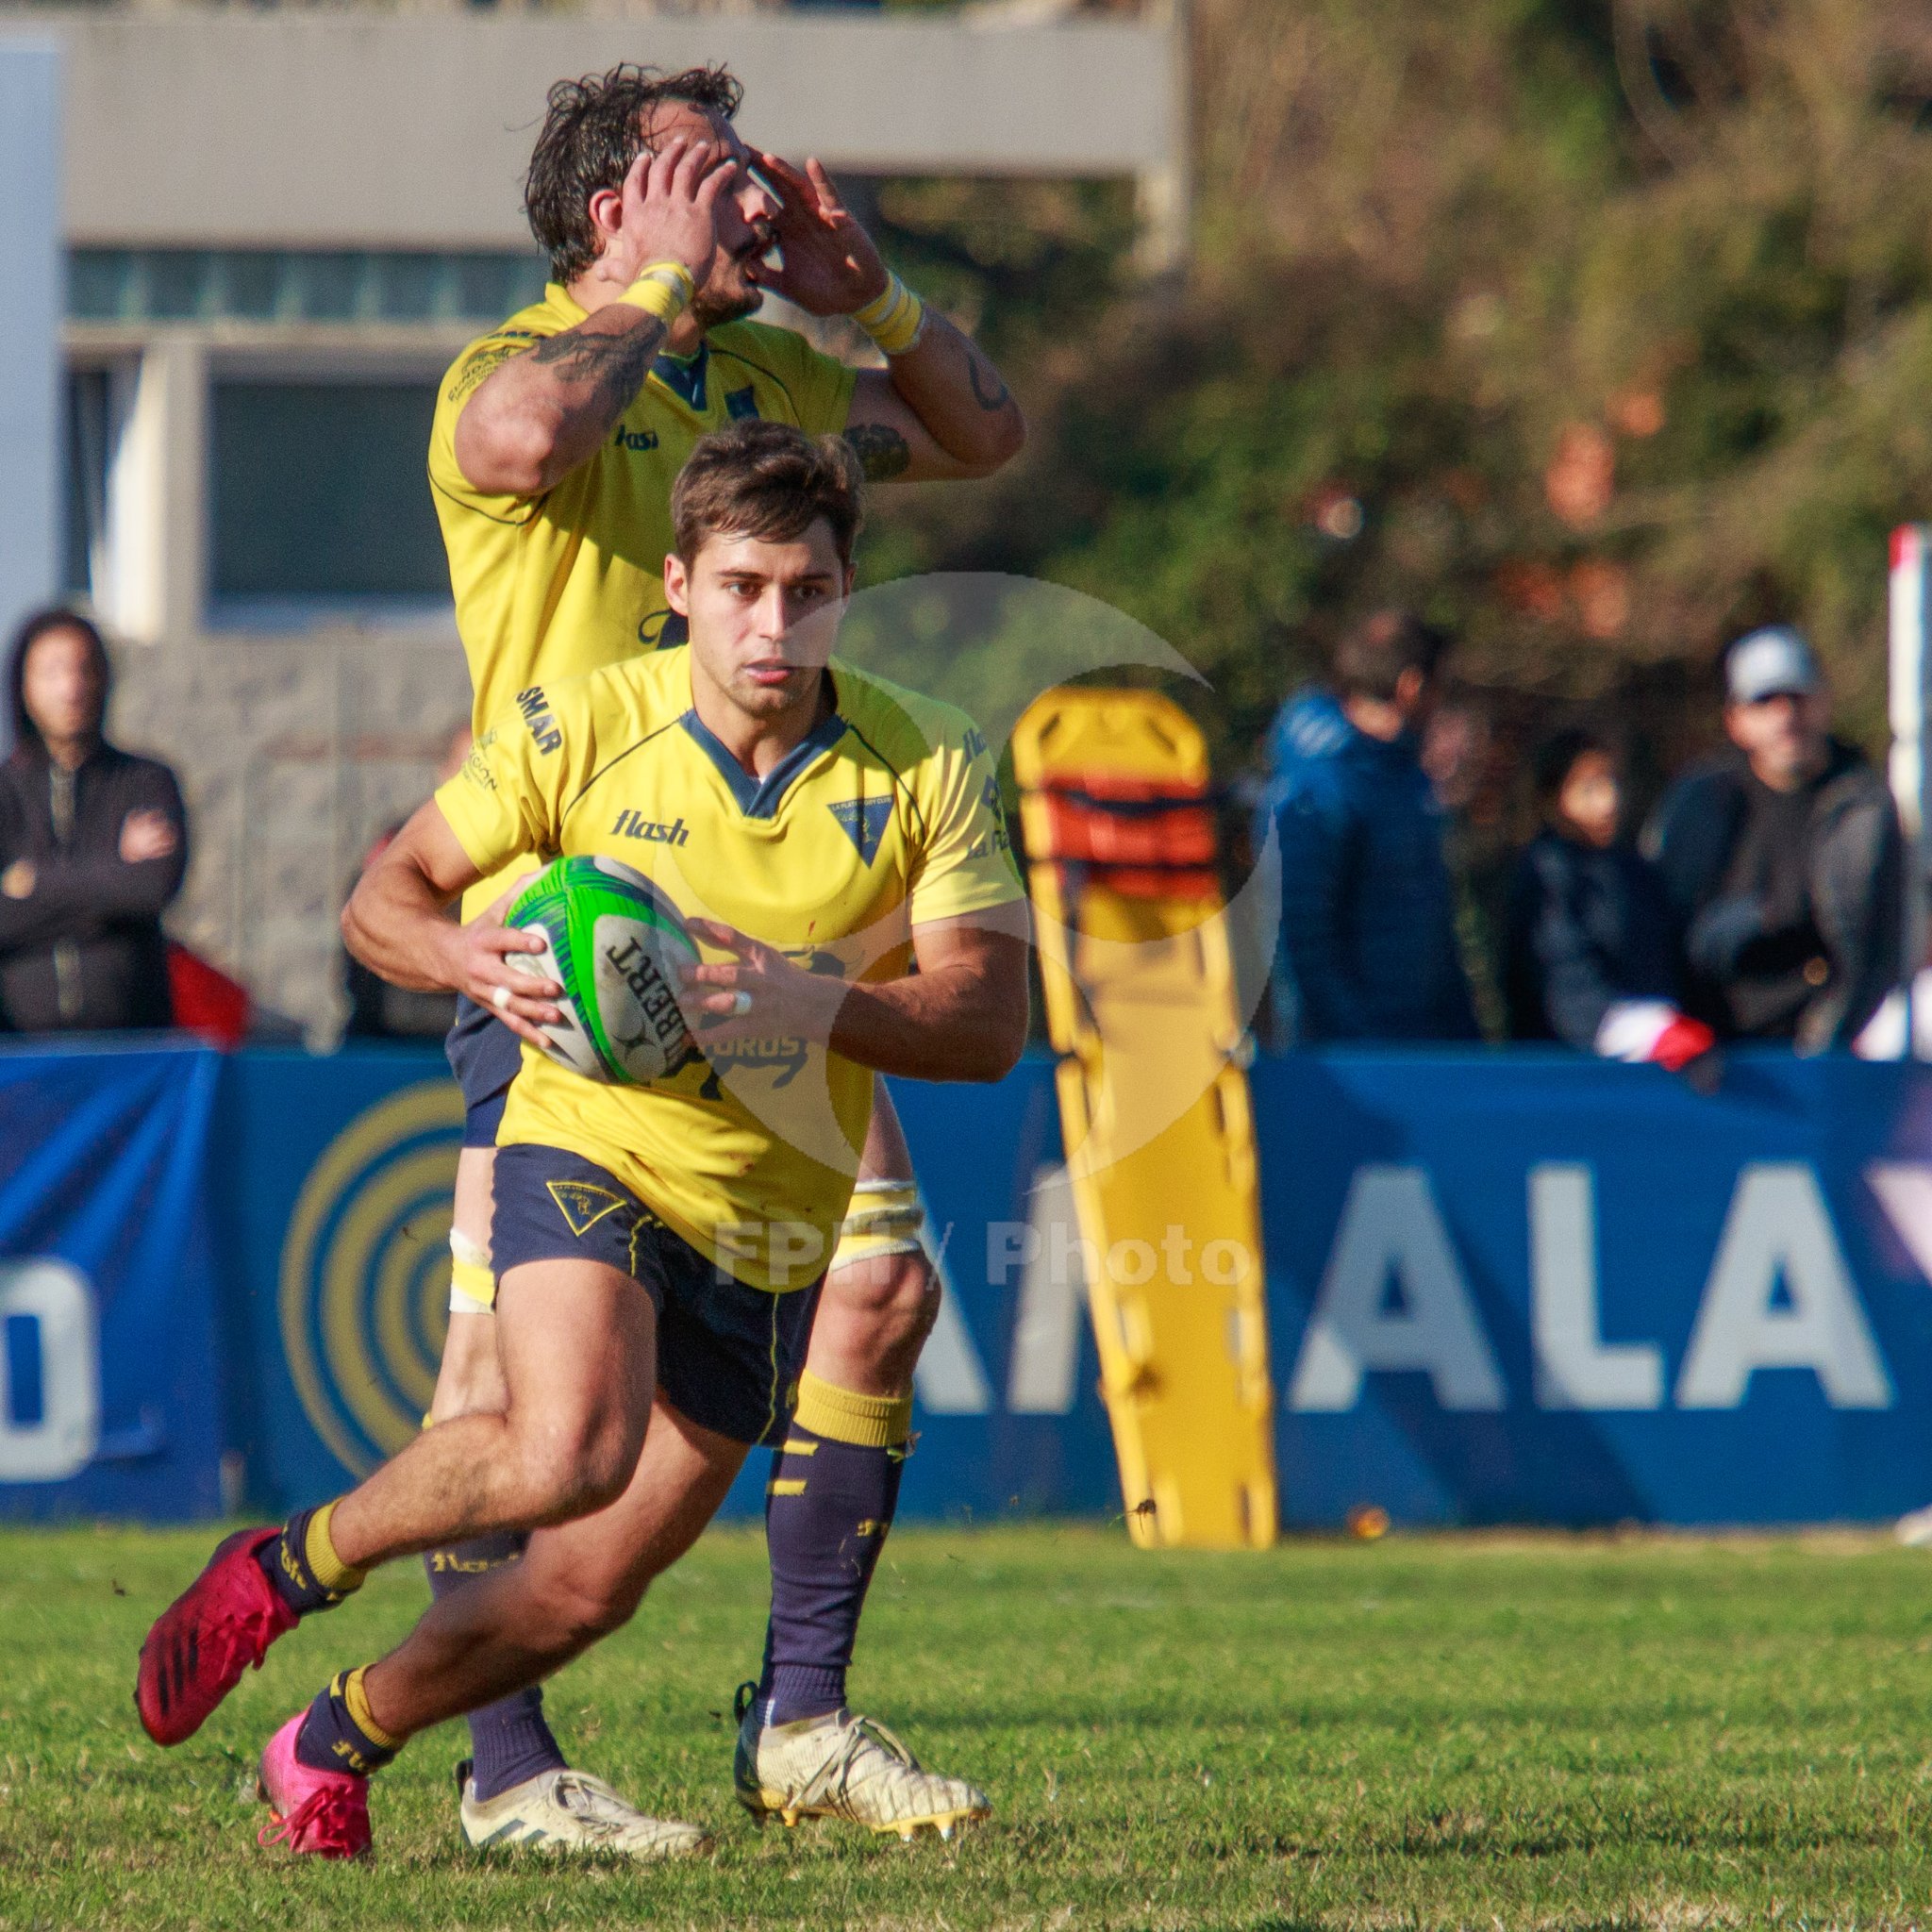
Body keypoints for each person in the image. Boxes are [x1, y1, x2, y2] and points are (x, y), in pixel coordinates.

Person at [136, 423, 1032, 1861]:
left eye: (806, 589)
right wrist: (471, 957)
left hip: (772, 1219)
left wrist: (803, 999)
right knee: (569, 1449)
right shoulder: (584, 726)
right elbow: (387, 898)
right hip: (593, 1147)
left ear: (846, 590)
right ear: (678, 582)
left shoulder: (924, 757)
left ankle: (330, 1741)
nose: (772, 623)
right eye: (742, 586)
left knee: (581, 1594)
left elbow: (988, 1025)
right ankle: (286, 1569)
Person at [409, 62, 1025, 1850]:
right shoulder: (506, 371)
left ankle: (802, 1718)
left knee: (886, 1285)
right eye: (713, 172)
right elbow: (527, 449)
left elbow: (982, 439)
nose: (753, 198)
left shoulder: (765, 373)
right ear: (616, 205)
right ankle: (505, 1764)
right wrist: (662, 287)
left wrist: (877, 302)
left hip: (763, 915)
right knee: (507, 1392)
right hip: (571, 942)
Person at [1643, 625, 1902, 1052]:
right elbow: (1665, 929)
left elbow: (1882, 949)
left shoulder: (1864, 808)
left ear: (1823, 701)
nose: (1785, 716)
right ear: (1735, 720)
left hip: (1836, 1047)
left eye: (1797, 697)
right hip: (1714, 1054)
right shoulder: (1700, 804)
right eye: (1764, 701)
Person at [1257, 609, 1480, 1043]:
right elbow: (1303, 943)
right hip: (1359, 1068)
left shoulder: (1406, 784)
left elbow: (1437, 932)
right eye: (1441, 688)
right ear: (1411, 688)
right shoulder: (1316, 790)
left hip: (1428, 1055)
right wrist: (1359, 1046)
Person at [0, 608, 187, 1034]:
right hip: (21, 1055)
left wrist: (32, 883)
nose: (71, 688)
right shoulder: (4, 793)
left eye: (84, 669)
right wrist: (109, 873)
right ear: (23, 685)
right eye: (51, 672)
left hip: (131, 1047)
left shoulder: (146, 783)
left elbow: (149, 888)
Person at [1504, 727, 1713, 1072]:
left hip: (1655, 1072)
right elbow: (1567, 987)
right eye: (1588, 789)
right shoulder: (1546, 880)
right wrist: (1639, 1031)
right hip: (1575, 1080)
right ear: (1551, 799)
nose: (1609, 801)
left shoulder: (1636, 873)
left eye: (1612, 783)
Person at [341, 725, 471, 1041]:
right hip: (398, 1034)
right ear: (443, 773)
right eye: (469, 769)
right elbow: (364, 923)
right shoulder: (406, 845)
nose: (483, 782)